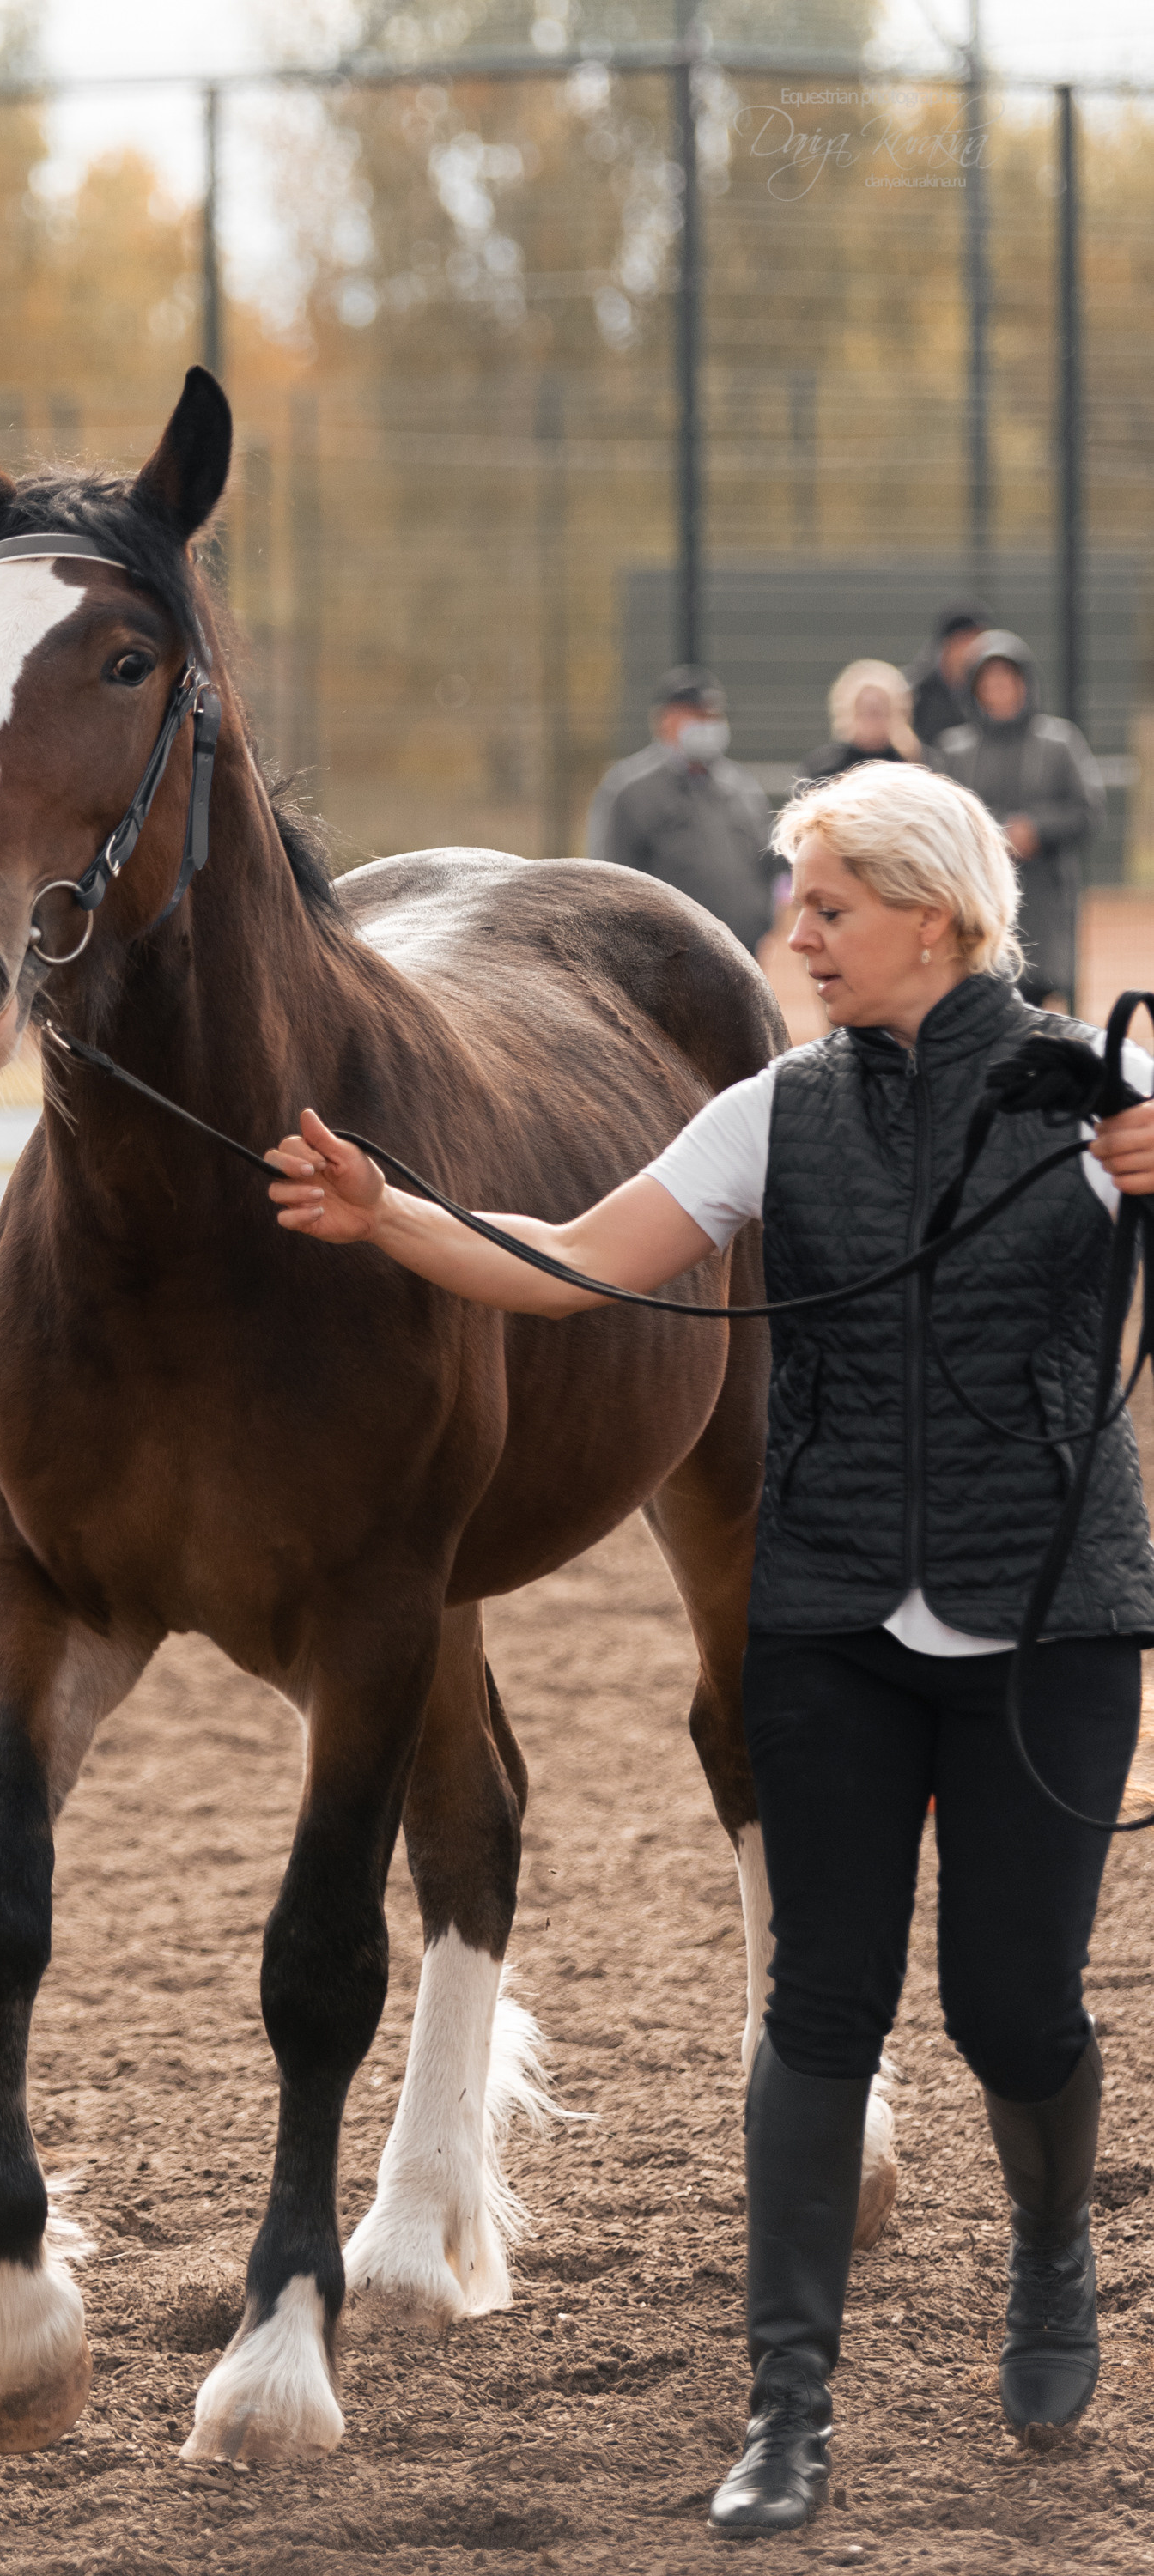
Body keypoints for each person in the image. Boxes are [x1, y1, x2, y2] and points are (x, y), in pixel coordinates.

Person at [264, 760, 1154, 2534]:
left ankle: (1047, 2257)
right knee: (814, 2015)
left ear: (931, 916)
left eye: (825, 908)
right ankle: (783, 2407)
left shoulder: (1091, 1095)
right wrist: (393, 1218)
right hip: (824, 1620)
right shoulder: (771, 1113)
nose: (794, 939)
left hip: (1042, 1621)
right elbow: (581, 1261)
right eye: (792, 904)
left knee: (1007, 2009)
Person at [935, 631, 1103, 1015]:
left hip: (1044, 893)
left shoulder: (1059, 743)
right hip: (978, 896)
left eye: (1007, 680)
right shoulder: (954, 751)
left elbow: (1088, 810)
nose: (999, 690)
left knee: (1040, 997)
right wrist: (994, 837)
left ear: (1025, 684)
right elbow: (943, 818)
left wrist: (1037, 830)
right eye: (989, 682)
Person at [586, 666, 775, 956]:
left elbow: (765, 861)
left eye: (714, 717)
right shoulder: (630, 790)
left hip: (743, 953)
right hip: (671, 961)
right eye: (697, 716)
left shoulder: (739, 786)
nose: (709, 725)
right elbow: (609, 878)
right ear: (665, 721)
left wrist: (762, 918)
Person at [800, 659, 926, 779]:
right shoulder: (825, 767)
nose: (871, 721)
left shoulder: (913, 765)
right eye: (864, 711)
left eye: (878, 712)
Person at [905, 597, 991, 749]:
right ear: (947, 644)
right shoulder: (915, 694)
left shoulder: (989, 688)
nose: (973, 649)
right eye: (965, 640)